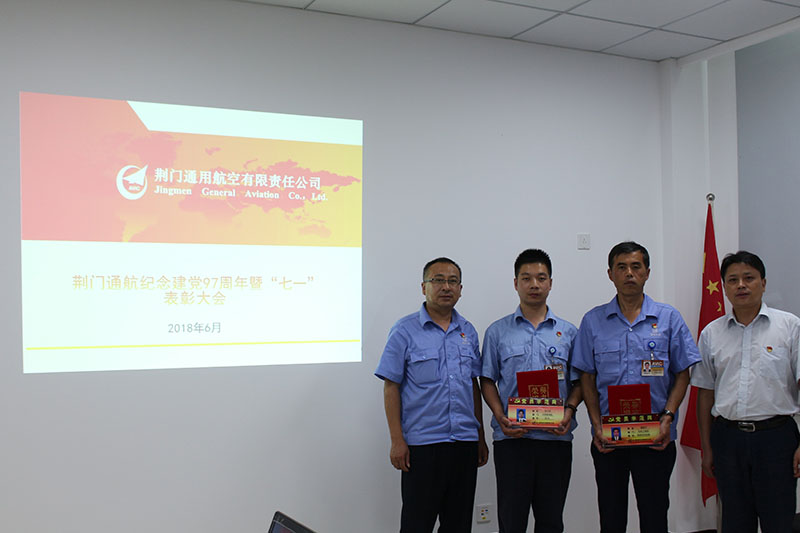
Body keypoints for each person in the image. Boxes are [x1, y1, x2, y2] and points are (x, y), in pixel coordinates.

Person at [572, 241, 700, 533]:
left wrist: (668, 417)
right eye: (621, 267)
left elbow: (683, 372)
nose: (629, 273)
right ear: (610, 274)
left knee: (654, 518)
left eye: (636, 266)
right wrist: (596, 424)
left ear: (647, 272)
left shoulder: (668, 318)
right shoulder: (593, 321)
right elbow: (586, 376)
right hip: (609, 439)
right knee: (611, 519)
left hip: (656, 437)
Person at [375, 257, 489, 533]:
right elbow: (391, 387)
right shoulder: (404, 330)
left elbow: (473, 385)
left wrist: (480, 436)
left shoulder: (468, 331)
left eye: (452, 281)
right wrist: (397, 440)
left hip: (464, 443)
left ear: (460, 289)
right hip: (423, 447)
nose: (446, 287)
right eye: (438, 280)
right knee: (417, 525)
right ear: (423, 286)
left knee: (458, 525)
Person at [691, 251, 800, 532]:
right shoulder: (711, 333)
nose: (741, 285)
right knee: (735, 522)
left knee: (779, 521)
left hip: (776, 439)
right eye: (733, 280)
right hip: (728, 440)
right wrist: (707, 448)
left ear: (763, 283)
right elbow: (705, 393)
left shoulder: (790, 326)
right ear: (724, 287)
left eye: (748, 278)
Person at [480, 248, 581, 533]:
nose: (534, 284)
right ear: (516, 283)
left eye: (541, 278)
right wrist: (499, 416)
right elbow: (486, 380)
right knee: (511, 521)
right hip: (512, 440)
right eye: (526, 278)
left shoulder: (569, 332)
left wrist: (569, 411)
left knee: (551, 521)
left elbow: (579, 383)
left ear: (550, 283)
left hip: (555, 440)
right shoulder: (497, 332)